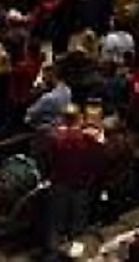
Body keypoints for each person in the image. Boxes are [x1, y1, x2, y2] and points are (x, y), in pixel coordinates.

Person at [44, 105, 102, 259]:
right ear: (80, 118)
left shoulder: (55, 138)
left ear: (63, 119)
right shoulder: (88, 138)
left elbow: (49, 160)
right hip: (81, 185)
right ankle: (74, 254)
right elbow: (95, 161)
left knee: (57, 221)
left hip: (60, 183)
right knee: (78, 222)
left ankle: (53, 253)